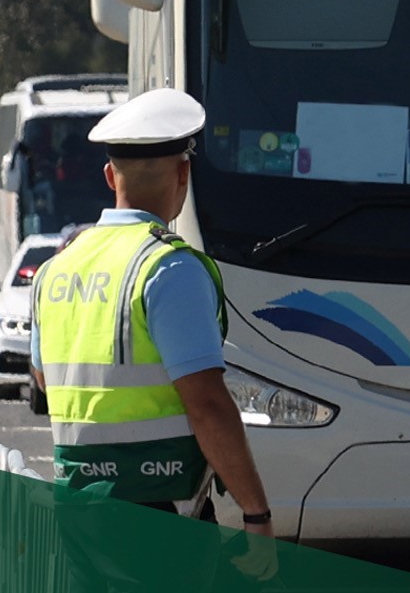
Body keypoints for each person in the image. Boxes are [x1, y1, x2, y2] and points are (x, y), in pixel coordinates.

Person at [30, 87, 276, 587]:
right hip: (155, 510)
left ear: (108, 176)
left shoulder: (55, 270)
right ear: (184, 174)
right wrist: (255, 513)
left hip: (78, 509)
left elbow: (43, 375)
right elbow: (207, 404)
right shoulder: (168, 269)